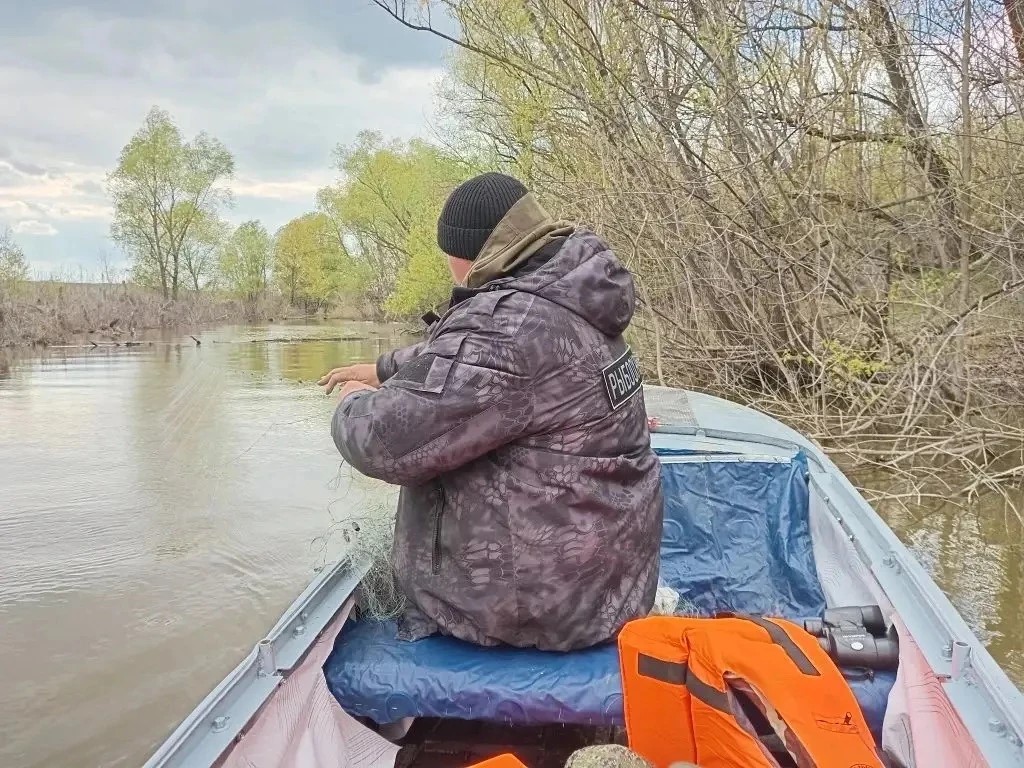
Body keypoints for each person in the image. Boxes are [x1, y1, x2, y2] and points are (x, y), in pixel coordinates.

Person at [320, 172, 663, 651]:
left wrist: (352, 401)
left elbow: (383, 443)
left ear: (466, 254)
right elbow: (464, 364)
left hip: (546, 608)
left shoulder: (508, 327)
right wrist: (382, 367)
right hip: (614, 583)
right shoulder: (570, 290)